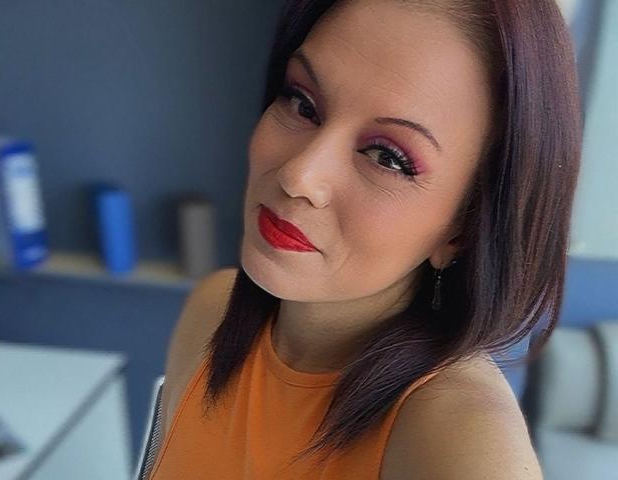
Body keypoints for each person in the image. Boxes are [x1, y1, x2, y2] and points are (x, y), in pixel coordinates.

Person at [148, 0, 581, 478]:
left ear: (463, 230)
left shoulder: (459, 439)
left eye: (387, 157)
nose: (299, 176)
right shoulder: (211, 310)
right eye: (302, 103)